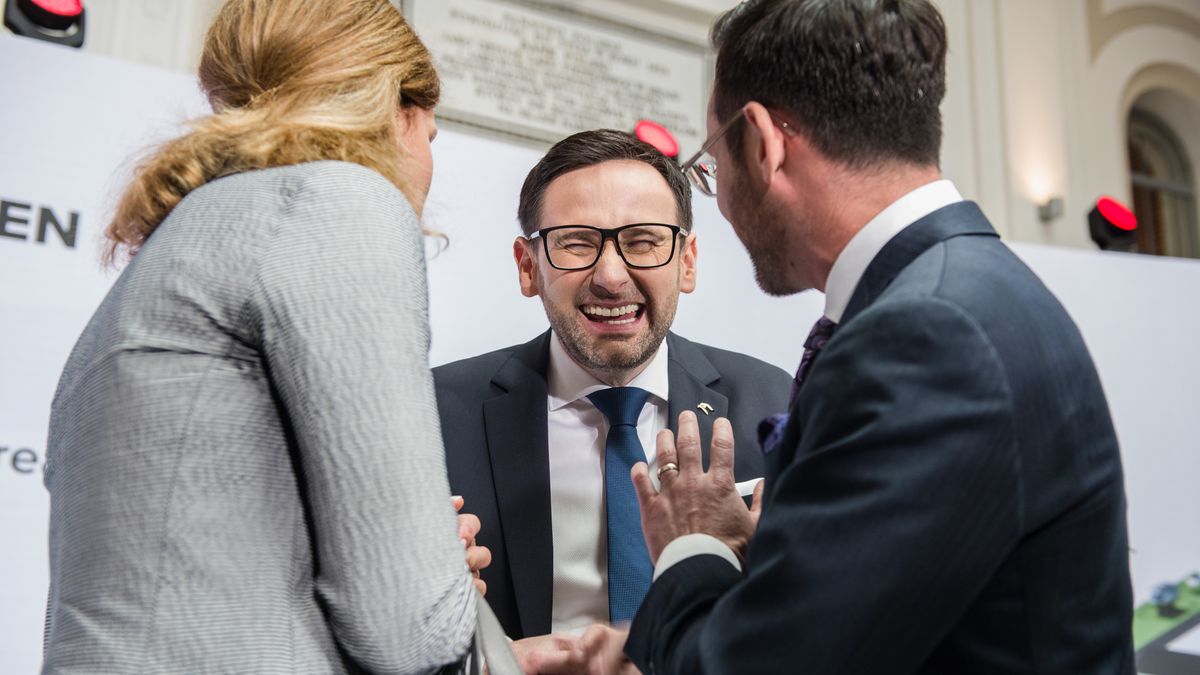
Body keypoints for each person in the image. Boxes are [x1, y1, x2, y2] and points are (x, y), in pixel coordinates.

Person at [557, 1, 1135, 673]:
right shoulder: (971, 288)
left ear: (765, 143)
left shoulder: (924, 338)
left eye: (711, 162)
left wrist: (694, 547)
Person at [41, 1, 485, 672]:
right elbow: (410, 628)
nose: (426, 163)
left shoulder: (179, 247)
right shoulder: (339, 202)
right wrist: (441, 577)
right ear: (398, 109)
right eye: (432, 135)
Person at [433, 130, 790, 658]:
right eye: (576, 242)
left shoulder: (774, 402)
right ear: (528, 266)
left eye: (643, 241)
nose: (610, 275)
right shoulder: (437, 414)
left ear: (687, 261)